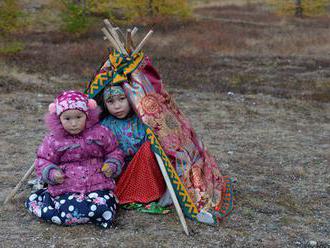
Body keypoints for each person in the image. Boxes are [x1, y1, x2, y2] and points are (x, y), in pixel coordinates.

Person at [25, 90, 125, 228]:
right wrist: (52, 173)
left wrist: (112, 164)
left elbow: (114, 151)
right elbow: (43, 160)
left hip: (98, 183)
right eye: (67, 119)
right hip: (67, 186)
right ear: (58, 118)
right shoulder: (54, 139)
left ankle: (91, 213)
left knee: (105, 206)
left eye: (78, 117)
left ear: (87, 115)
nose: (73, 123)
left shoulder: (100, 133)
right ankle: (70, 211)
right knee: (69, 211)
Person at [100, 85, 170, 213]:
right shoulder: (103, 126)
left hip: (145, 169)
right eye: (110, 101)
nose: (117, 106)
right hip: (120, 172)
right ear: (104, 104)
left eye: (122, 99)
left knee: (150, 147)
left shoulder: (143, 120)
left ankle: (151, 193)